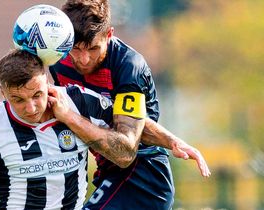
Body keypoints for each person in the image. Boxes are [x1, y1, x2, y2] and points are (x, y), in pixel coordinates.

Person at [0, 49, 145, 210]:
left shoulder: (78, 101)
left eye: (37, 95)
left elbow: (127, 146)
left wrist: (172, 142)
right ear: (3, 93)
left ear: (47, 83)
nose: (31, 107)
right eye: (18, 99)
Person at [48, 0, 211, 209]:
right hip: (107, 173)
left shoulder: (128, 66)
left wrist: (68, 116)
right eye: (76, 49)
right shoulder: (58, 60)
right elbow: (104, 112)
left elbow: (125, 151)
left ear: (109, 35)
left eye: (93, 48)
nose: (84, 59)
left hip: (143, 178)